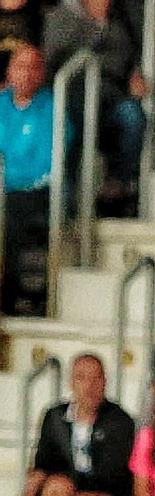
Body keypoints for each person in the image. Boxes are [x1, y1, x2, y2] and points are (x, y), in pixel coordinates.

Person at [41, 0, 147, 213]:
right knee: (68, 128)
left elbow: (132, 53)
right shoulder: (62, 15)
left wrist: (135, 73)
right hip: (73, 97)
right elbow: (53, 61)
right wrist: (96, 25)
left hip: (113, 95)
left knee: (132, 115)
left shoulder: (123, 16)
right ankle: (64, 204)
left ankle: (116, 186)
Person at [25, 354, 137, 496]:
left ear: (105, 382)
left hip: (105, 495)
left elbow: (112, 475)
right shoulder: (54, 416)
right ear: (71, 383)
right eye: (81, 378)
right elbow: (42, 463)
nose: (89, 385)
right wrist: (29, 495)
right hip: (65, 491)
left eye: (96, 378)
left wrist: (69, 494)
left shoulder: (120, 421)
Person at [0, 44, 53, 314]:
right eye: (20, 66)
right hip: (4, 191)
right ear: (9, 71)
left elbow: (47, 164)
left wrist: (6, 180)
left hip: (35, 192)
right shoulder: (0, 105)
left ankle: (8, 298)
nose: (27, 73)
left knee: (7, 220)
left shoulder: (53, 107)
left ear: (42, 73)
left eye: (34, 66)